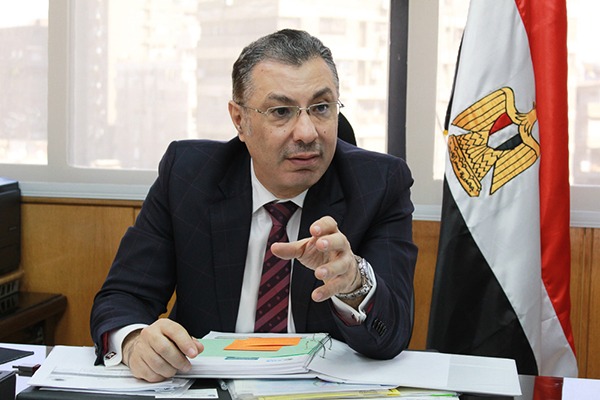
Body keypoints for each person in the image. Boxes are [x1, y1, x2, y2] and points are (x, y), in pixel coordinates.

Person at [90, 28, 418, 383]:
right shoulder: (188, 176)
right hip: (208, 387)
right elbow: (123, 296)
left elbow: (392, 335)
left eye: (321, 108)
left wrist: (354, 283)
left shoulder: (378, 185)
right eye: (281, 111)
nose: (307, 132)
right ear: (239, 120)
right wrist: (135, 342)